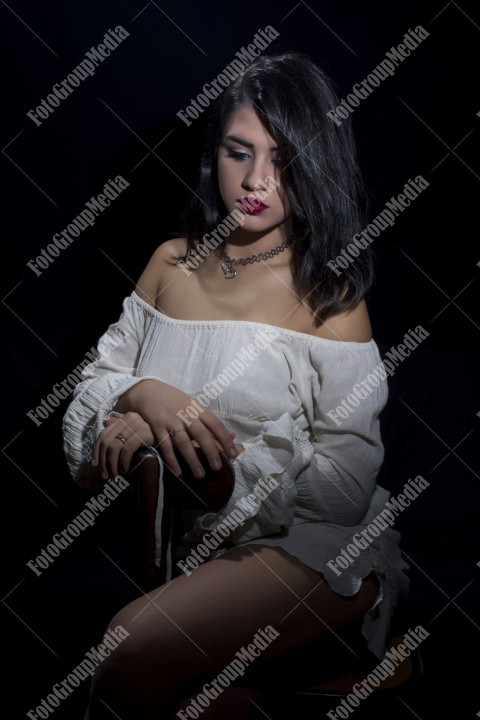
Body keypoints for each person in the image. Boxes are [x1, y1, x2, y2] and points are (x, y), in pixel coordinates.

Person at [62, 51, 409, 719]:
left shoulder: (329, 299)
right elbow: (88, 404)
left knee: (122, 649)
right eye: (238, 152)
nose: (256, 180)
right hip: (196, 556)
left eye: (281, 160)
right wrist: (141, 398)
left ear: (312, 164)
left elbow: (344, 487)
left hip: (315, 551)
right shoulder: (170, 263)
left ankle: (343, 647)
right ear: (213, 154)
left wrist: (226, 477)